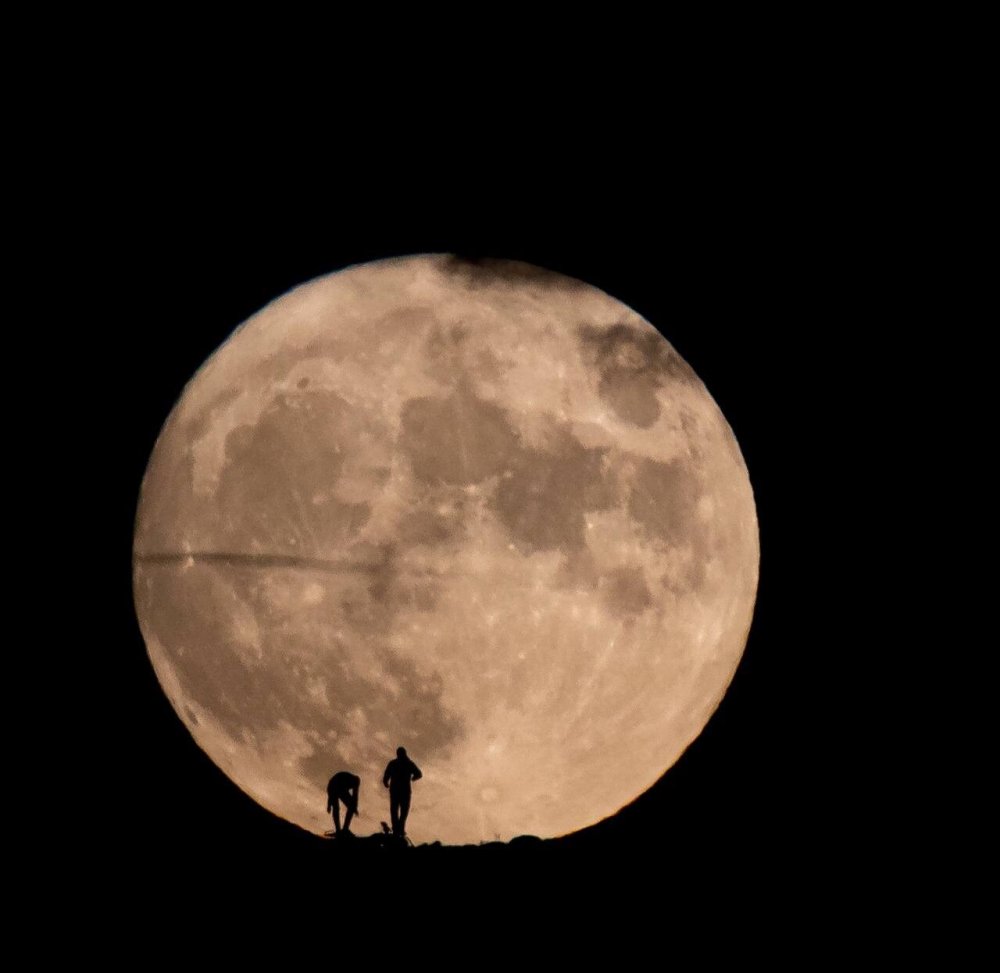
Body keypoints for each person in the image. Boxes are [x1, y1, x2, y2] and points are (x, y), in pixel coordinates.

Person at [382, 747, 422, 838]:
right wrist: (385, 782)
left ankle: (398, 829)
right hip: (401, 791)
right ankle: (398, 829)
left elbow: (419, 774)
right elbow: (386, 775)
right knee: (398, 811)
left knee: (400, 811)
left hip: (400, 791)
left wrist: (386, 782)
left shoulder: (400, 763)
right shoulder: (406, 763)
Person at [326, 771, 360, 836]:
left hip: (340, 788)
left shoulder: (354, 781)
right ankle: (339, 831)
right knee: (336, 808)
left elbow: (355, 796)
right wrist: (329, 804)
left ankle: (344, 829)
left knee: (351, 807)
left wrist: (354, 808)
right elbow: (332, 789)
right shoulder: (347, 779)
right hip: (334, 787)